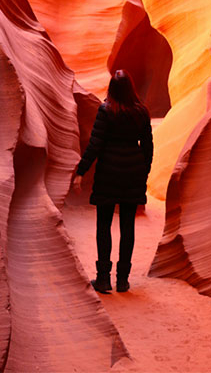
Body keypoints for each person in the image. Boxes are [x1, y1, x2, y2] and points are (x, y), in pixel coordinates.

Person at [71, 69, 153, 294]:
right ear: (131, 88)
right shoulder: (141, 113)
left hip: (108, 172)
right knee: (128, 226)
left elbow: (95, 144)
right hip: (132, 174)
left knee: (103, 226)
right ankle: (123, 280)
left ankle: (103, 278)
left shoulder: (106, 111)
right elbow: (147, 146)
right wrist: (142, 171)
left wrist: (81, 171)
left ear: (112, 89)